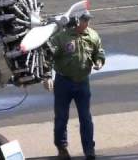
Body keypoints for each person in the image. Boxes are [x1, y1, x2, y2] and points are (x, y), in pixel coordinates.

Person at [44, 10, 105, 160]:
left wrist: (99, 61)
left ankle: (89, 150)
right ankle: (61, 147)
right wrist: (47, 76)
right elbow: (48, 57)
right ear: (77, 20)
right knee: (61, 117)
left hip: (83, 81)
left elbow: (99, 52)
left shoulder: (92, 35)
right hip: (63, 82)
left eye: (88, 20)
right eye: (85, 20)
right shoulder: (61, 37)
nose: (87, 23)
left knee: (85, 117)